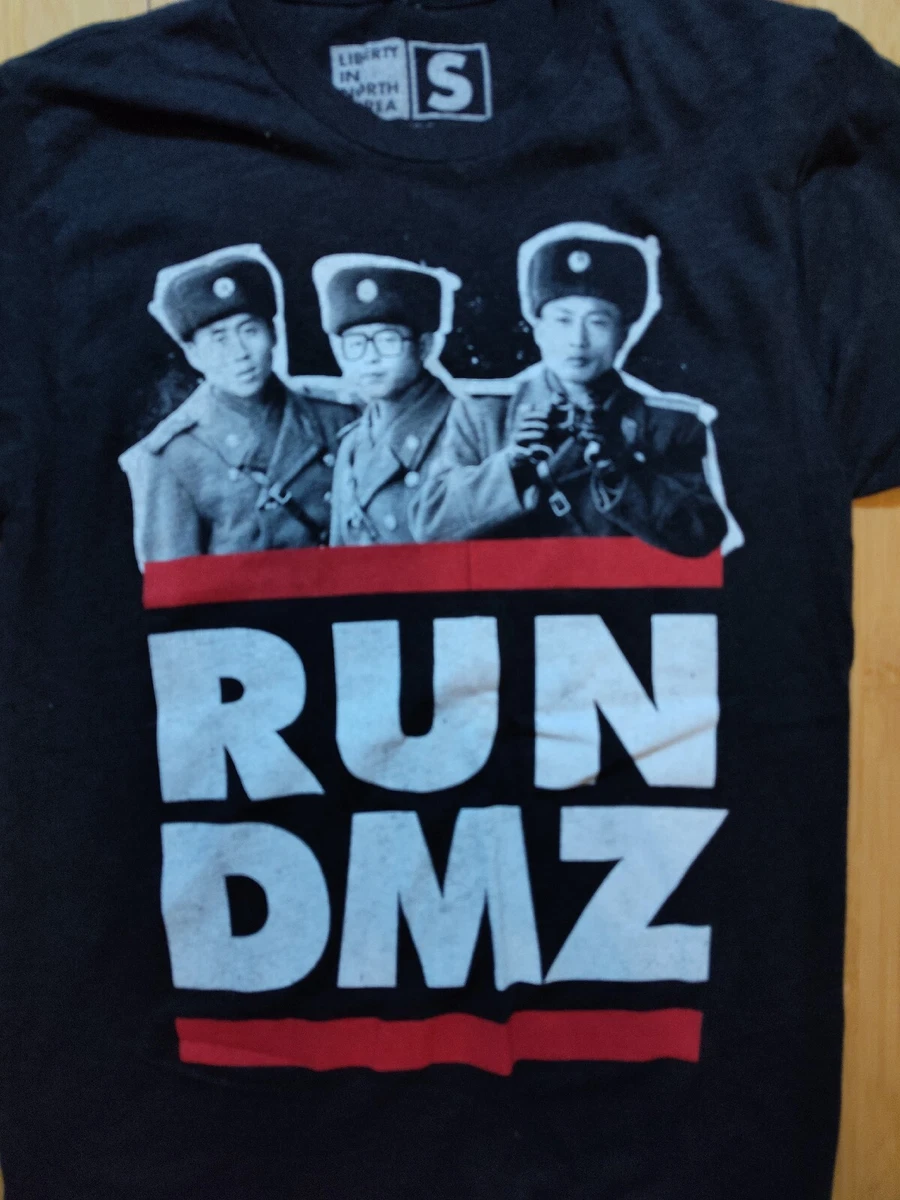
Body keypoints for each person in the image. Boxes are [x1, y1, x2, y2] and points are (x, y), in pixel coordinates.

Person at [410, 223, 729, 557]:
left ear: (623, 334)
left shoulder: (671, 426)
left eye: (597, 322)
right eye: (563, 320)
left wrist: (620, 469)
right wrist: (511, 466)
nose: (578, 340)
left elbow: (701, 534)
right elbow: (431, 525)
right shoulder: (483, 415)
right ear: (538, 331)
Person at [119, 248, 355, 568]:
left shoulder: (338, 416)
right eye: (219, 339)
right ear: (193, 355)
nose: (239, 353)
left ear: (274, 334)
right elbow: (174, 582)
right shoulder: (173, 454)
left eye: (250, 331)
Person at [312, 253, 461, 546]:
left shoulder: (464, 428)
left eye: (387, 340)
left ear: (424, 346)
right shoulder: (352, 443)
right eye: (356, 344)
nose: (371, 358)